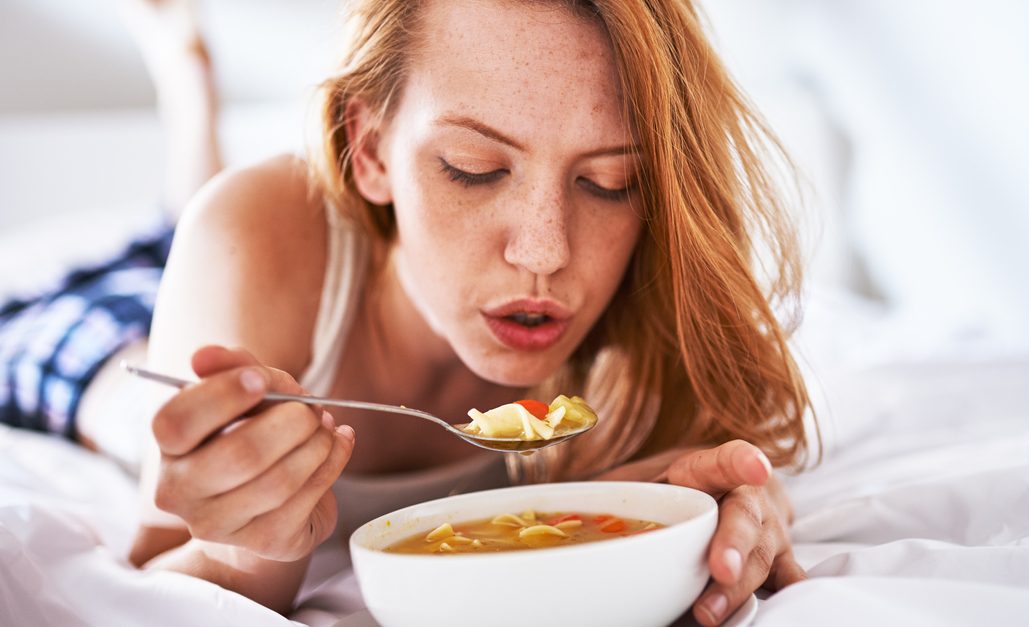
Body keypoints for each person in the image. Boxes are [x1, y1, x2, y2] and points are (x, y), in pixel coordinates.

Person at [0, 0, 817, 624]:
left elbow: (699, 473)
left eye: (608, 182)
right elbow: (160, 565)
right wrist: (235, 547)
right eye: (472, 169)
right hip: (100, 334)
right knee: (135, 313)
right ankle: (187, 75)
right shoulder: (255, 232)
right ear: (370, 148)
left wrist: (707, 505)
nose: (544, 253)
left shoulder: (650, 302)